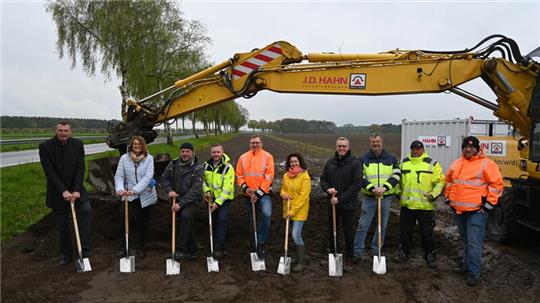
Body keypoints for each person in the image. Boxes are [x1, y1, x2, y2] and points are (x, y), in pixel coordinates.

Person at [445, 136, 503, 286]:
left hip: (477, 212)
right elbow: (449, 181)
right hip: (458, 211)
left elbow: (496, 185)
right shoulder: (456, 163)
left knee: (474, 243)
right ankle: (466, 265)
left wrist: (489, 205)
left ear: (477, 148)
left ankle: (474, 273)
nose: (468, 149)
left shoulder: (487, 164)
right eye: (466, 147)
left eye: (471, 147)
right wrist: (448, 198)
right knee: (465, 241)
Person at [39, 121, 92, 266]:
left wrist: (75, 190)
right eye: (60, 130)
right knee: (63, 225)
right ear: (56, 131)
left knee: (86, 211)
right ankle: (66, 254)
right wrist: (64, 191)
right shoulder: (45, 147)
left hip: (76, 190)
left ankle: (84, 250)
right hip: (57, 191)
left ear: (71, 132)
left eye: (66, 131)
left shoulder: (78, 145)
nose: (63, 133)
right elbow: (49, 172)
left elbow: (80, 168)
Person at [394, 140, 445, 268]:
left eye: (418, 149)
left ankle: (430, 254)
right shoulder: (403, 163)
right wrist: (397, 191)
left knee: (426, 233)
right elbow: (396, 179)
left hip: (425, 207)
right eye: (413, 149)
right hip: (407, 206)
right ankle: (403, 253)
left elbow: (440, 181)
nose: (416, 151)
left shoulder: (432, 164)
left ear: (423, 149)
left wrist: (433, 195)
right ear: (410, 150)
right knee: (405, 232)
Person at [354, 133, 400, 262]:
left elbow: (396, 175)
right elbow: (360, 177)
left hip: (385, 198)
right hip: (369, 197)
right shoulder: (363, 159)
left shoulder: (391, 158)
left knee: (382, 226)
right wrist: (373, 189)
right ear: (370, 143)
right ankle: (358, 251)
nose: (375, 144)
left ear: (382, 142)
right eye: (373, 142)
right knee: (363, 225)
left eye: (377, 141)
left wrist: (384, 188)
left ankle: (376, 250)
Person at [320, 137, 363, 272]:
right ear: (336, 147)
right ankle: (333, 255)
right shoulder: (330, 162)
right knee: (333, 230)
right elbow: (323, 179)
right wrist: (328, 189)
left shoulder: (355, 163)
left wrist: (340, 199)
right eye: (339, 146)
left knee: (348, 232)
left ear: (348, 147)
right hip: (332, 204)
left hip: (348, 205)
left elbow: (356, 185)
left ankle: (349, 258)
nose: (342, 148)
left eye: (344, 146)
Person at [114, 136, 157, 258]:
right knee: (124, 219)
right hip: (128, 195)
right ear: (131, 146)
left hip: (145, 194)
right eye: (134, 144)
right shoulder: (124, 158)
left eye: (139, 144)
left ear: (143, 146)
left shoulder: (149, 159)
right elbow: (119, 176)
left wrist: (135, 190)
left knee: (143, 222)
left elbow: (148, 177)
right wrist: (120, 189)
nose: (136, 146)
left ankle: (141, 247)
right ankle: (124, 247)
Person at [160, 142, 204, 261]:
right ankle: (193, 250)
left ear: (192, 152)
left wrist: (181, 204)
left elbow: (196, 190)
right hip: (176, 198)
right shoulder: (174, 164)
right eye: (183, 151)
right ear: (180, 152)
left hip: (192, 200)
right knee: (182, 221)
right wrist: (169, 190)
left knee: (185, 217)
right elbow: (164, 178)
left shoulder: (198, 167)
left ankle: (179, 250)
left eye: (187, 151)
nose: (185, 154)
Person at [236, 135, 274, 260]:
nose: (255, 145)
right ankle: (254, 242)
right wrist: (246, 188)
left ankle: (261, 243)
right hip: (248, 194)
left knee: (266, 215)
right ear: (250, 144)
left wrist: (258, 193)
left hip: (263, 194)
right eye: (253, 143)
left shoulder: (267, 156)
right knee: (252, 220)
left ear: (261, 143)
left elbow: (269, 176)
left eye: (257, 143)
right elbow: (239, 175)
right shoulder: (243, 157)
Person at [202, 143, 235, 258]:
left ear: (222, 152)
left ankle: (219, 247)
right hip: (211, 198)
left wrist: (217, 203)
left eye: (218, 152)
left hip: (224, 199)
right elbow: (202, 181)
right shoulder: (206, 165)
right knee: (213, 220)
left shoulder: (227, 167)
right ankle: (214, 243)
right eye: (213, 152)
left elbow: (227, 188)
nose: (216, 154)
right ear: (211, 153)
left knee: (222, 219)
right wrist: (206, 191)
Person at [280, 153, 311, 272]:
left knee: (296, 234)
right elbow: (283, 188)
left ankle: (301, 261)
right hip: (287, 209)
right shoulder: (286, 175)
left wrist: (293, 211)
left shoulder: (304, 176)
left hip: (299, 210)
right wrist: (283, 194)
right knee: (290, 234)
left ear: (300, 162)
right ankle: (295, 256)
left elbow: (303, 197)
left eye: (295, 161)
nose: (293, 163)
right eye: (291, 162)